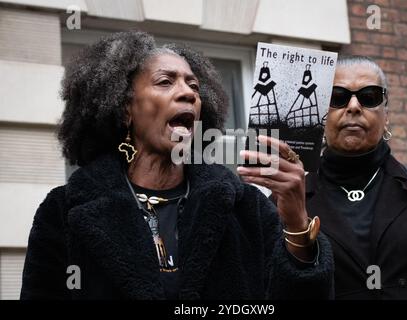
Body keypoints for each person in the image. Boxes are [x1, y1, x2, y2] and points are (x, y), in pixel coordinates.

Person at [20, 31, 334, 300]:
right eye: (165, 82)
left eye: (194, 87)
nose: (187, 93)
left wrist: (296, 225)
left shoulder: (245, 207)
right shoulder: (64, 212)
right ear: (125, 108)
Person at [241, 55, 407, 299]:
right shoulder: (287, 198)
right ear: (320, 117)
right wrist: (296, 224)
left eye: (369, 97)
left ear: (387, 117)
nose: (353, 106)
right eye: (337, 98)